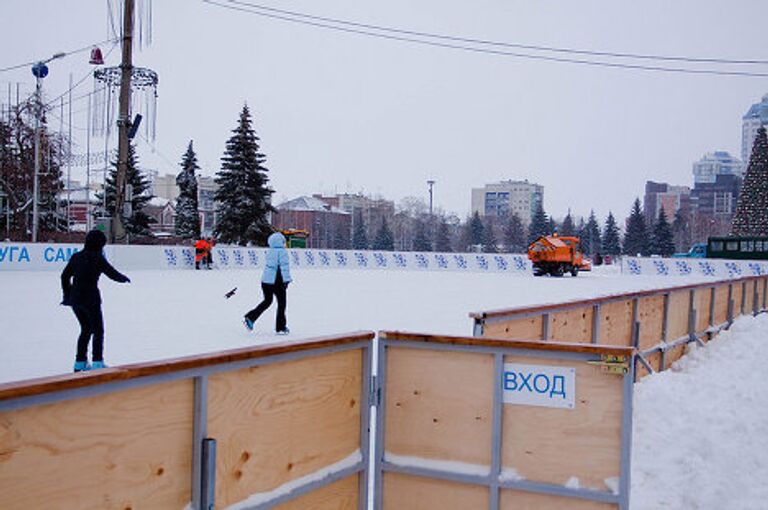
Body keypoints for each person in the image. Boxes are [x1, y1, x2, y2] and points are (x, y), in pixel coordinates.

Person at [61, 229, 130, 372]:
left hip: (75, 299)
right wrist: (123, 278)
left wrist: (67, 295)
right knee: (98, 330)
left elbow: (64, 276)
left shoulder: (76, 257)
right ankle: (97, 362)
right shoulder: (97, 258)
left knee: (85, 329)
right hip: (90, 298)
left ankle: (79, 363)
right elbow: (111, 272)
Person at [244, 231, 292, 334]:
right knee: (282, 304)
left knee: (267, 301)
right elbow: (284, 267)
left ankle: (250, 317)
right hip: (277, 281)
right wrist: (286, 280)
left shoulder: (270, 251)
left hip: (266, 281)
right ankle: (280, 327)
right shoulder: (282, 251)